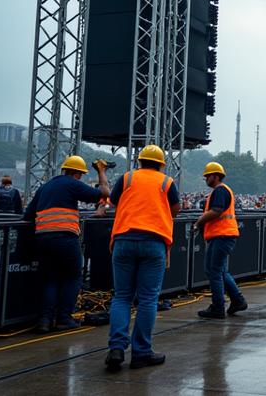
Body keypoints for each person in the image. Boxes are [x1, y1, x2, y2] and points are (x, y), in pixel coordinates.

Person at [105, 145, 181, 372]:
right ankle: (141, 353)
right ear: (160, 164)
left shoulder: (126, 178)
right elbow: (175, 209)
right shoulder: (167, 182)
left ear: (139, 162)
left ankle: (116, 348)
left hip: (124, 239)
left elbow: (114, 202)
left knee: (122, 297)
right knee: (147, 299)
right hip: (154, 241)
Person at [23, 156, 110, 333]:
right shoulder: (72, 184)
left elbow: (27, 215)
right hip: (64, 237)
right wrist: (101, 171)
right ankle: (64, 318)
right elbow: (104, 192)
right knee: (72, 277)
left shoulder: (45, 187)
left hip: (42, 239)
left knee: (50, 279)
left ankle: (45, 321)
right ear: (77, 173)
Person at [194, 162, 247, 319]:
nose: (206, 179)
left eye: (208, 176)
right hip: (223, 235)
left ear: (216, 176)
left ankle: (218, 307)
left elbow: (216, 211)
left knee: (213, 271)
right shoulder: (221, 191)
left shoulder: (220, 191)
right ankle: (238, 300)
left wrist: (199, 222)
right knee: (220, 271)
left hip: (221, 235)